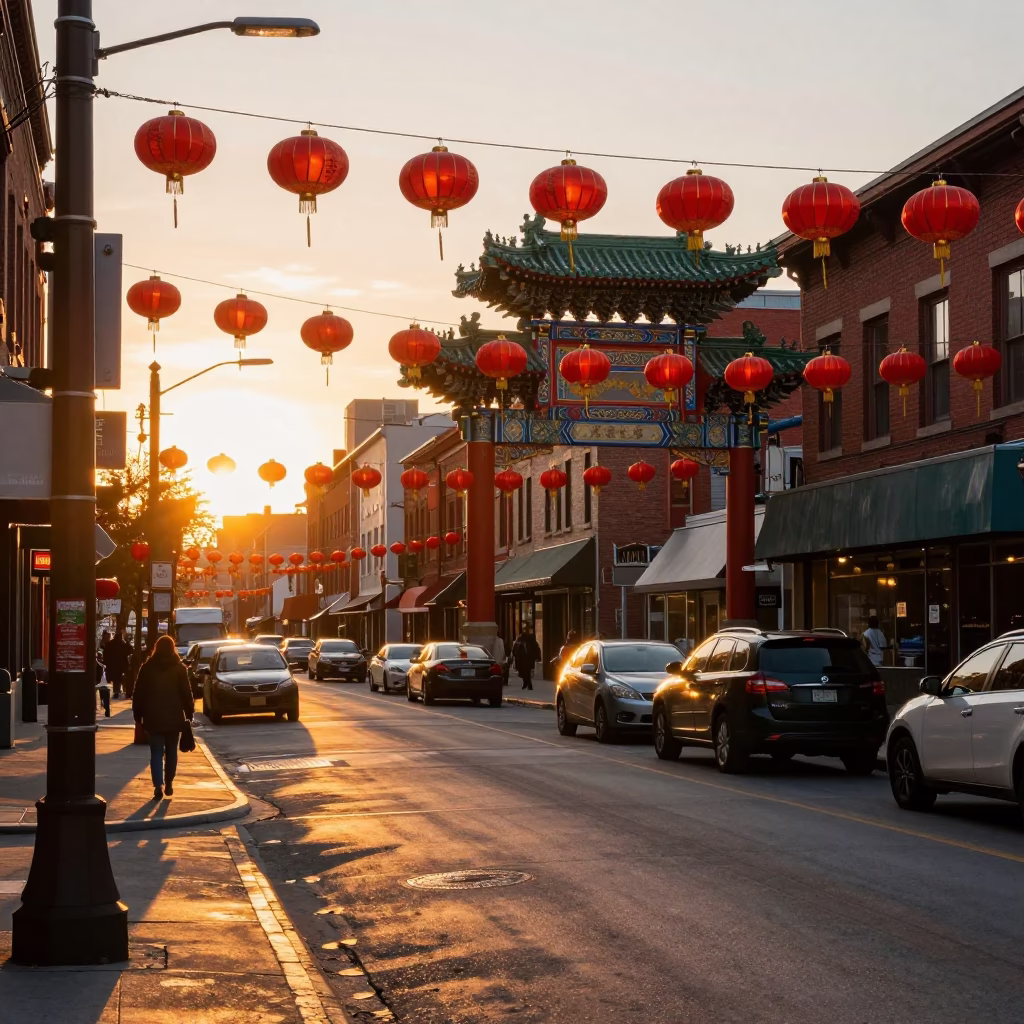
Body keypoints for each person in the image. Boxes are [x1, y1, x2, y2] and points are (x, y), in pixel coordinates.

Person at [132, 634, 194, 801]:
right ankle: (169, 783)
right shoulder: (179, 668)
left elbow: (138, 694)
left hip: (153, 717)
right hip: (174, 716)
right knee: (172, 751)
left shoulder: (147, 668)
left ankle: (158, 786)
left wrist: (138, 715)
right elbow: (186, 693)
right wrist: (189, 712)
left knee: (156, 752)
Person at [105, 628, 130, 699]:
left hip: (112, 665)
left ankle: (116, 691)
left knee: (116, 679)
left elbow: (106, 655)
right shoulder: (123, 644)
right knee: (119, 678)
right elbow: (130, 651)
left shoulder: (109, 644)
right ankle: (121, 690)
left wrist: (106, 663)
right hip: (121, 665)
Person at [95, 653, 111, 718]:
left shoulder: (101, 666)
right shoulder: (101, 666)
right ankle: (106, 709)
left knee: (104, 693)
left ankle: (106, 709)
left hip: (100, 682)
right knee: (105, 693)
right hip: (101, 682)